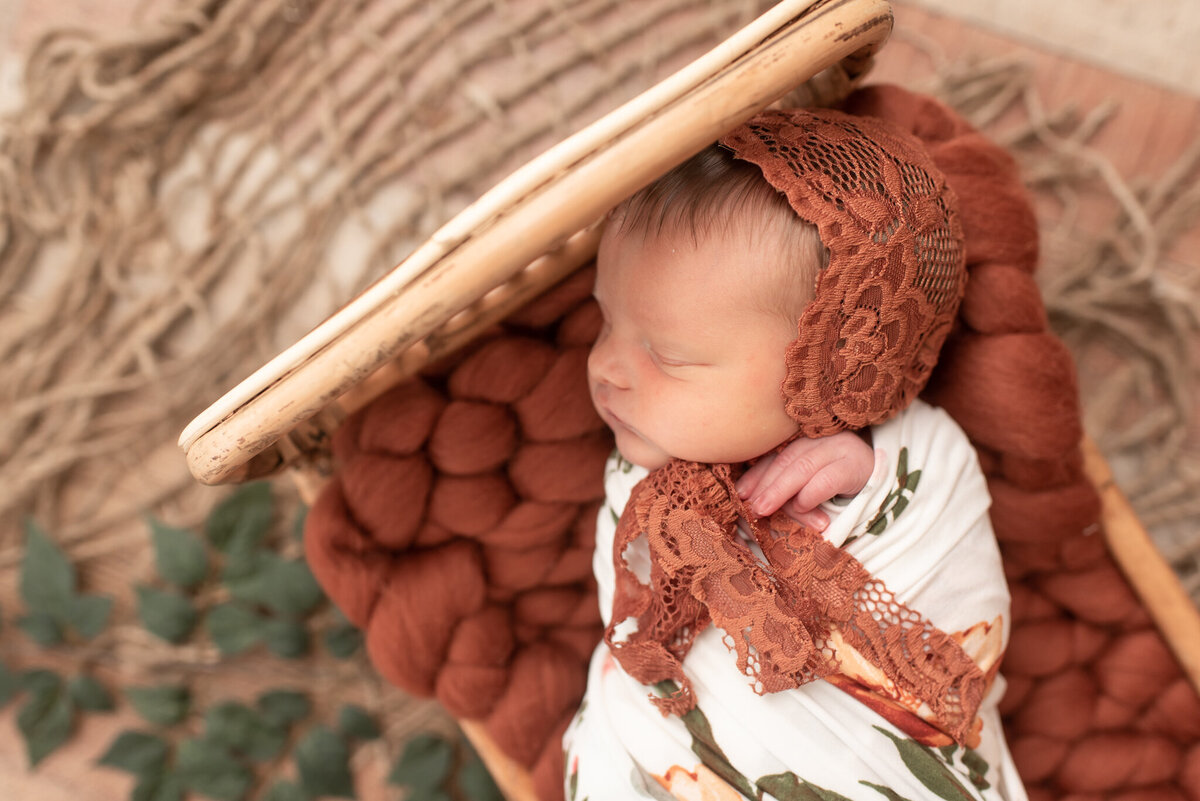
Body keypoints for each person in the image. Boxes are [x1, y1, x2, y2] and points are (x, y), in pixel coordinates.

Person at [563, 97, 1028, 801]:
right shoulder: (644, 478)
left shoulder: (900, 458)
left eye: (668, 355)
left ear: (827, 367)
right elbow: (632, 625)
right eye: (605, 320)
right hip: (662, 759)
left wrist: (872, 471)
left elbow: (955, 593)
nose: (606, 367)